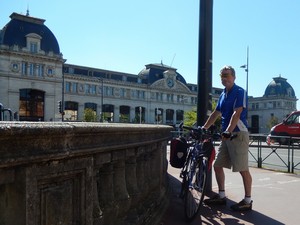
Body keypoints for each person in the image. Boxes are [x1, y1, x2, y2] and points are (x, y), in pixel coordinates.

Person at [202, 65, 253, 211]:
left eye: (227, 75)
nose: (225, 78)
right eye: (222, 76)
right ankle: (222, 196)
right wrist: (204, 127)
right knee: (217, 166)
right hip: (227, 135)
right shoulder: (223, 94)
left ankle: (247, 200)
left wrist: (229, 131)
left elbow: (236, 114)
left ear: (234, 77)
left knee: (243, 169)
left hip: (237, 134)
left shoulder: (239, 91)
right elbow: (215, 113)